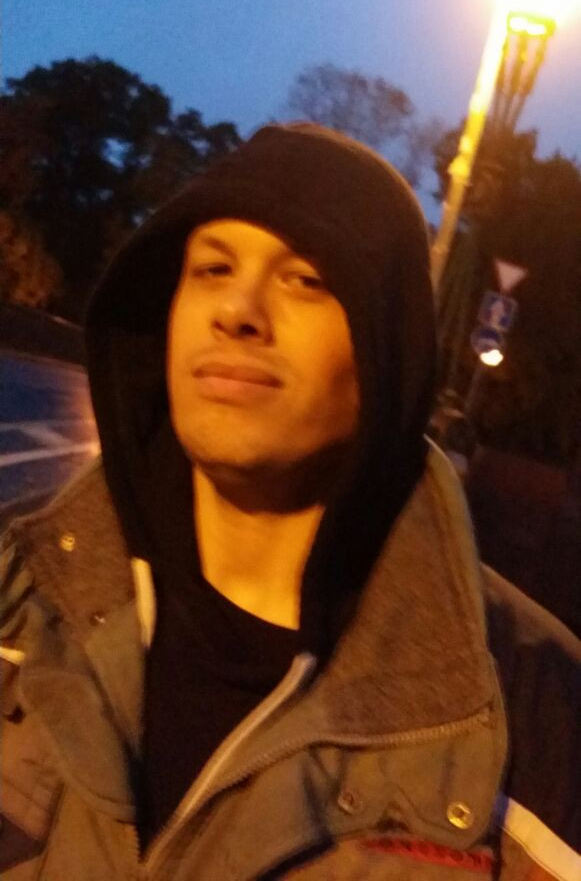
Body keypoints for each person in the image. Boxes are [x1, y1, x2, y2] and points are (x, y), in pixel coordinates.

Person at [1, 124, 579, 880]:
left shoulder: (537, 714)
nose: (236, 310)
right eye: (212, 268)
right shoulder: (21, 594)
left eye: (305, 279)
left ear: (387, 352)